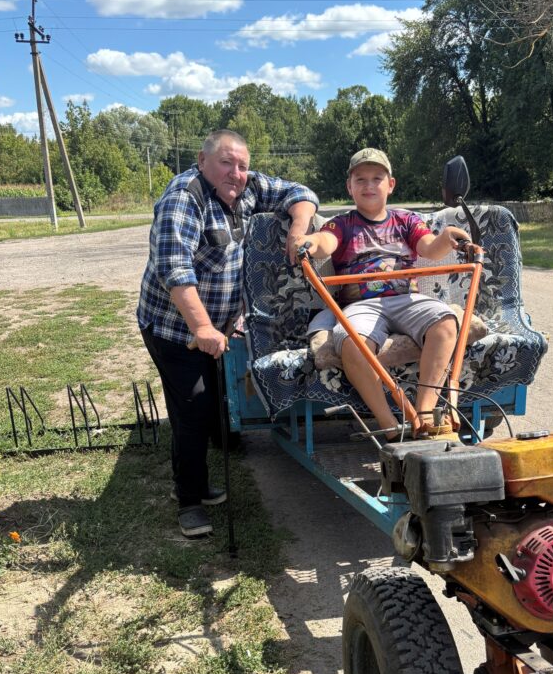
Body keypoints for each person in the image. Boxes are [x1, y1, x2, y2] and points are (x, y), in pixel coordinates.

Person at [138, 129, 318, 538]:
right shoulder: (184, 199)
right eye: (225, 163)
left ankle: (195, 483)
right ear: (202, 162)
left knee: (200, 406)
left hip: (215, 328)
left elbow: (300, 191)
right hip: (171, 327)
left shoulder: (247, 188)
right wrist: (201, 327)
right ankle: (188, 501)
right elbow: (175, 270)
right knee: (193, 408)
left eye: (242, 164)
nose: (236, 173)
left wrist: (298, 227)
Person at [301, 148, 471, 438]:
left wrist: (447, 237)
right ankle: (390, 426)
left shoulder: (406, 221)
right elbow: (324, 242)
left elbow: (430, 248)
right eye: (361, 179)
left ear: (390, 185)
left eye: (377, 178)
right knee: (352, 343)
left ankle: (426, 416)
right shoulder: (342, 224)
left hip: (407, 299)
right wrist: (309, 243)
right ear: (349, 187)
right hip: (361, 303)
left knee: (445, 322)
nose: (369, 186)